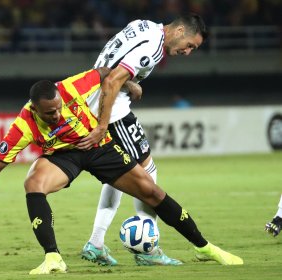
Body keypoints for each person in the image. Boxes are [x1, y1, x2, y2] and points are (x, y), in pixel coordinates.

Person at [0, 67, 243, 276]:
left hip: (98, 146)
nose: (56, 114)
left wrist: (130, 82)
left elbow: (106, 72)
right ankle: (53, 257)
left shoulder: (70, 88)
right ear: (34, 109)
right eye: (49, 113)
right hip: (63, 157)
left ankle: (204, 247)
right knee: (33, 181)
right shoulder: (24, 124)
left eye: (57, 108)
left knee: (152, 192)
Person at [81, 14, 204, 266]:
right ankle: (148, 249)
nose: (188, 52)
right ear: (180, 30)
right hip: (111, 111)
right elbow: (113, 80)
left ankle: (95, 242)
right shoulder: (154, 48)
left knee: (120, 172)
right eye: (190, 45)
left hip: (91, 100)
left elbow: (109, 66)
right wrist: (103, 125)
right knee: (147, 172)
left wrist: (131, 84)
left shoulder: (141, 25)